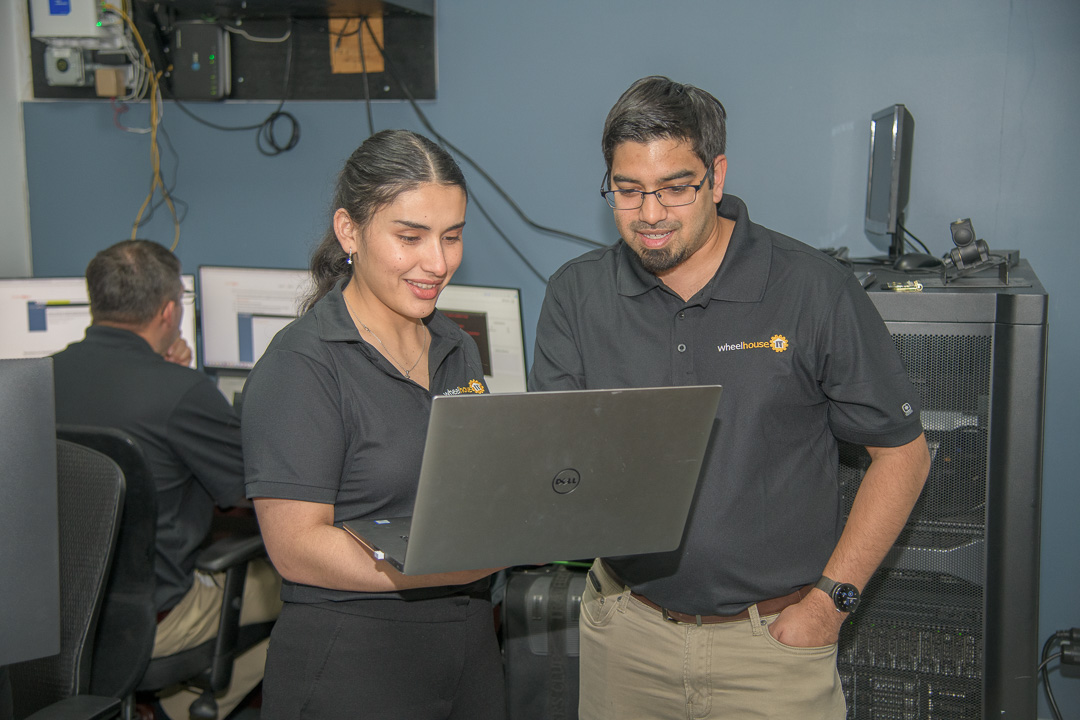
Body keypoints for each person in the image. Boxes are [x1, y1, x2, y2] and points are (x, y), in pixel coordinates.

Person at [529, 76, 932, 718]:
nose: (651, 213)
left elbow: (903, 455)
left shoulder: (813, 290)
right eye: (628, 191)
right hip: (626, 637)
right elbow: (556, 459)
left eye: (674, 188)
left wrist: (831, 605)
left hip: (772, 647)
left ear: (716, 176)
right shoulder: (576, 297)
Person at [242, 129, 507, 720]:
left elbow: (469, 494)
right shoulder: (303, 365)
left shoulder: (455, 347)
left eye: (452, 236)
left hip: (467, 648)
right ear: (350, 231)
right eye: (410, 237)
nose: (437, 263)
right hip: (353, 661)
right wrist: (442, 565)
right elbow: (296, 549)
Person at [51, 239, 281, 720]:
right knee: (307, 591)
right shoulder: (183, 393)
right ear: (170, 311)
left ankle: (161, 704)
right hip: (151, 616)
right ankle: (185, 706)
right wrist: (183, 385)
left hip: (59, 612)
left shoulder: (37, 379)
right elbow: (252, 490)